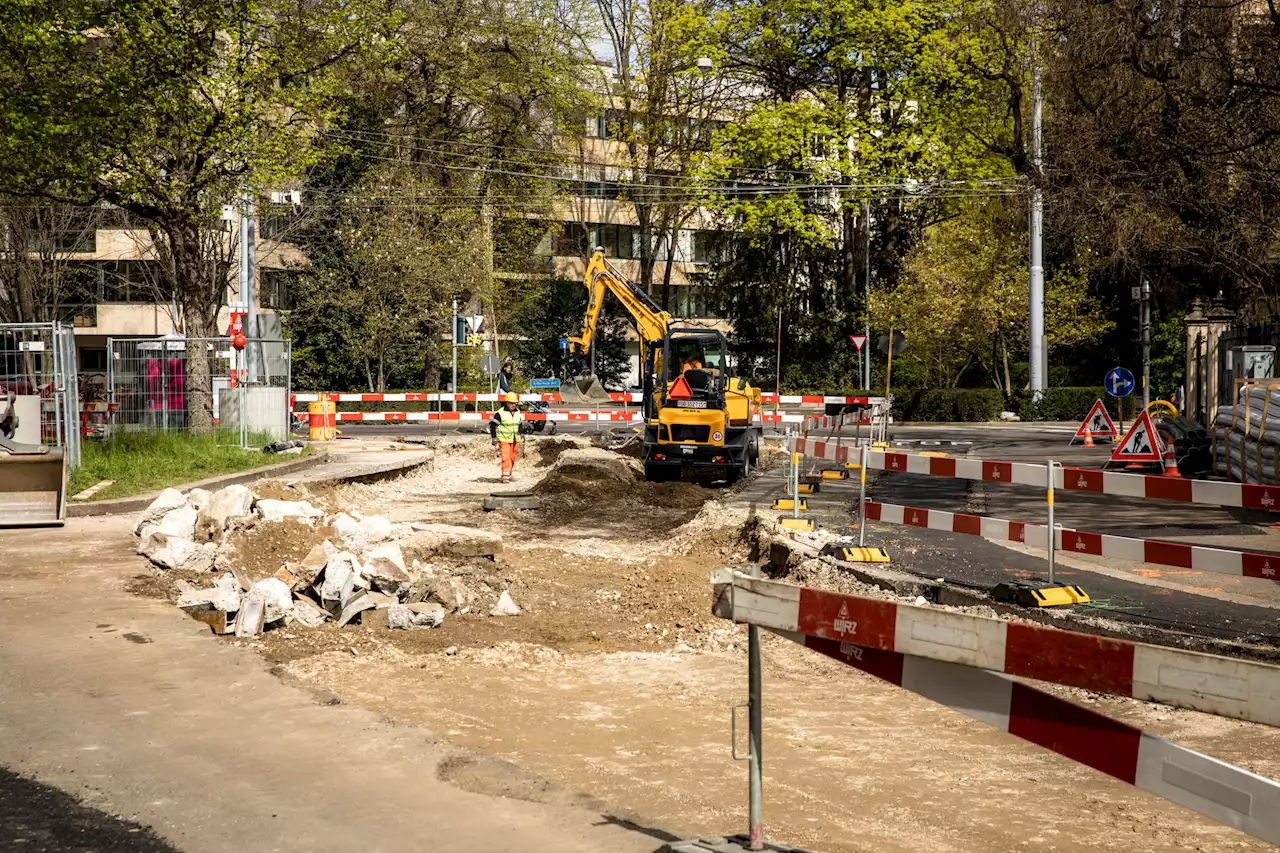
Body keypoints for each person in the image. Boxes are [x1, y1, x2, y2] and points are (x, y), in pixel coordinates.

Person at [488, 392, 524, 483]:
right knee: (506, 456)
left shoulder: (517, 412)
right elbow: (492, 425)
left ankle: (509, 473)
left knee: (513, 457)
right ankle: (505, 475)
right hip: (504, 439)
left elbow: (520, 424)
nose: (513, 405)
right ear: (506, 402)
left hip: (514, 438)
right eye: (511, 403)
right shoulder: (500, 413)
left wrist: (522, 434)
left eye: (515, 403)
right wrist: (494, 438)